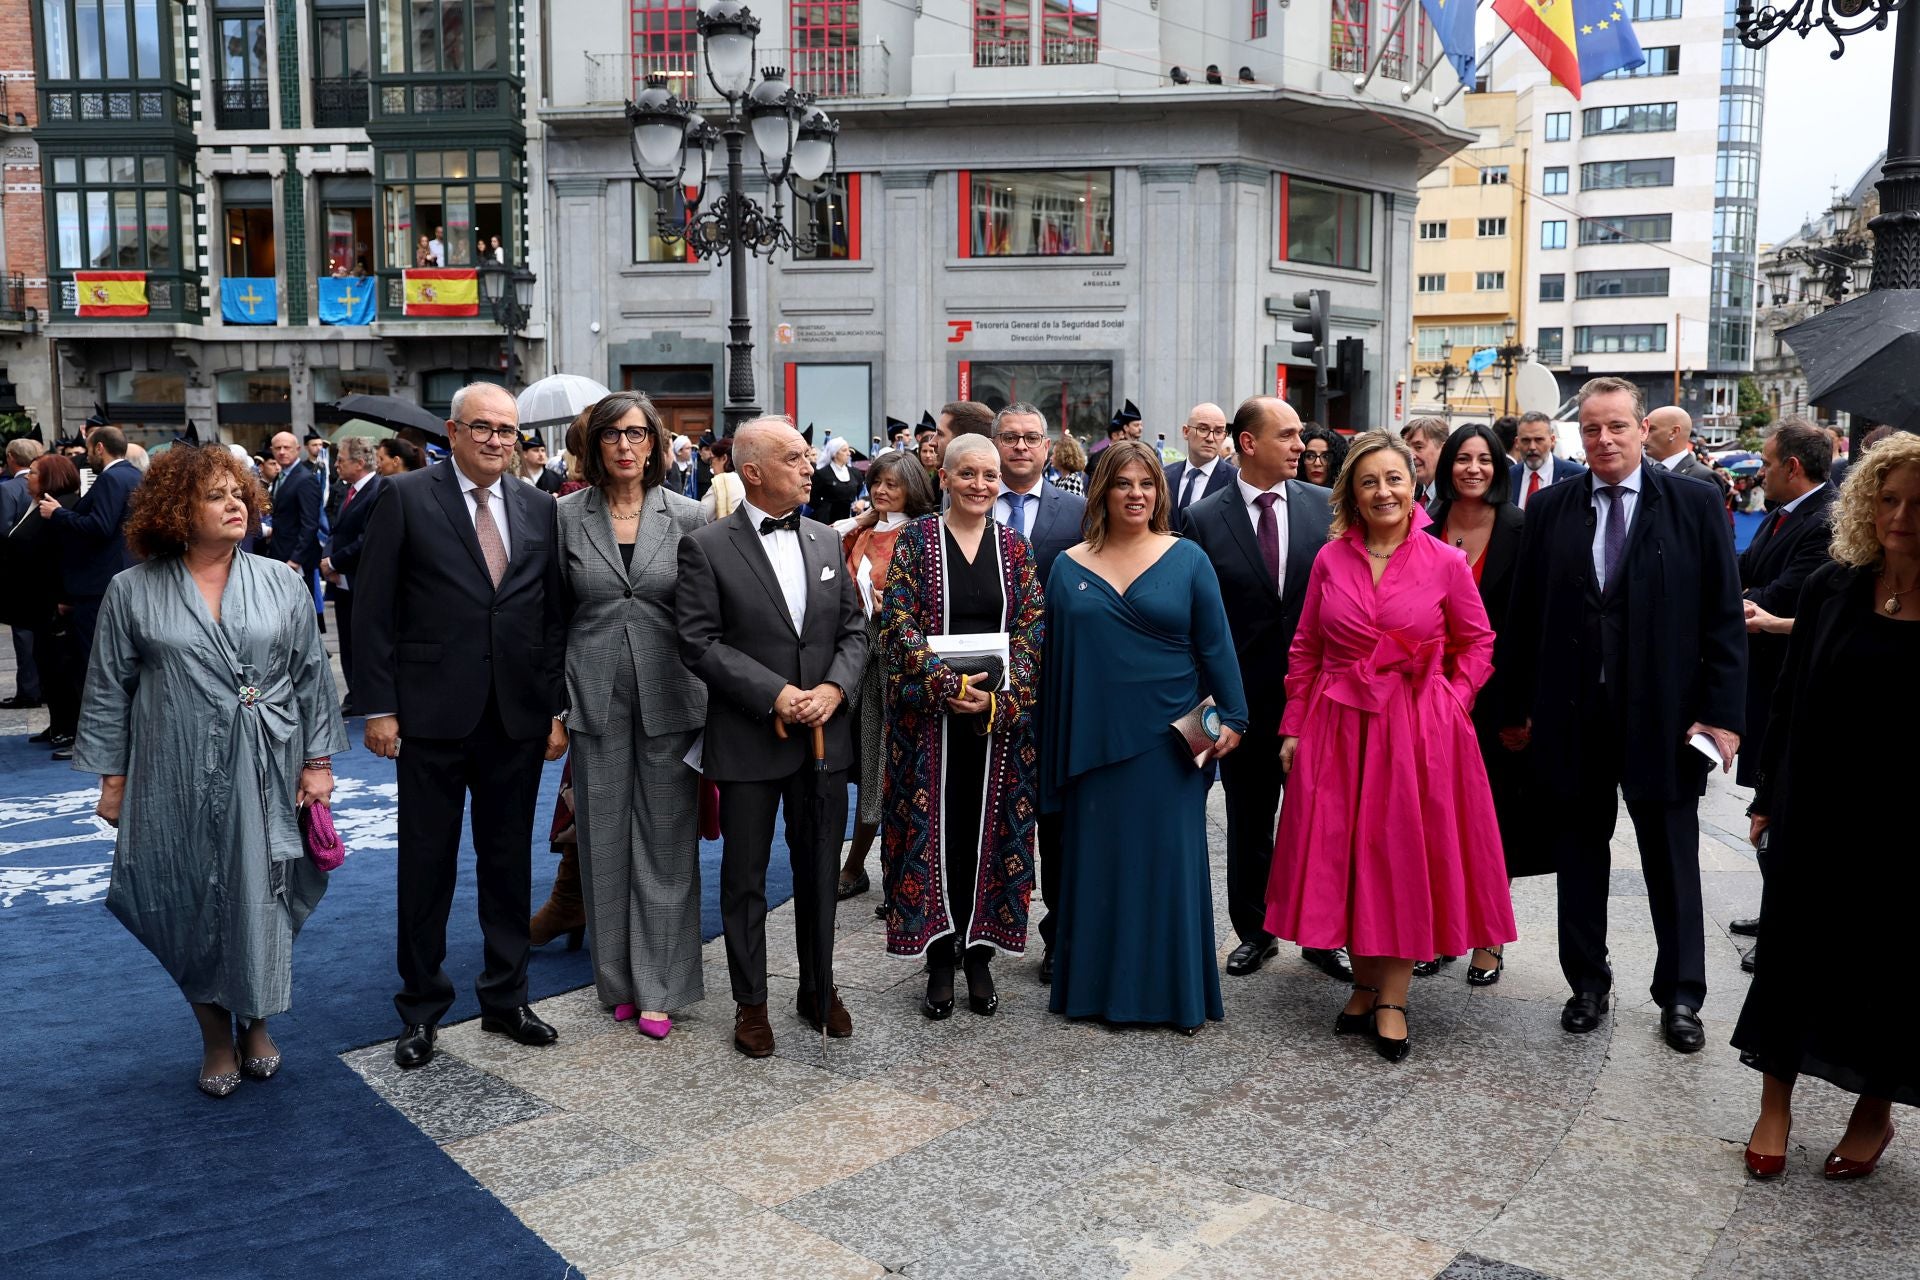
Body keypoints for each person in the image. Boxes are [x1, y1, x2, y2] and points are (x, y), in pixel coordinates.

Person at [72, 444, 346, 1096]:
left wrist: (318, 762)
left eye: (240, 494)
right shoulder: (129, 590)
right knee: (186, 902)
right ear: (175, 509)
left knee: (261, 898)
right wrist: (113, 780)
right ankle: (214, 1036)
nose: (234, 505)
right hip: (174, 769)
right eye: (215, 495)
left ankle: (255, 1022)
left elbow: (310, 676)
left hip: (267, 767)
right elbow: (109, 688)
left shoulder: (280, 580)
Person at [1499, 376, 1746, 1054]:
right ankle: (1586, 982)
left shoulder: (1695, 505)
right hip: (1572, 715)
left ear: (1643, 431)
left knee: (1672, 860)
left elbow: (1724, 619)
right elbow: (1522, 617)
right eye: (1592, 429)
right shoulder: (1551, 508)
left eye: (1617, 427)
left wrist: (1722, 718)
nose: (1603, 440)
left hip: (1665, 719)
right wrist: (1513, 705)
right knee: (1579, 856)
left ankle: (1682, 996)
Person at [1265, 432, 1514, 1062]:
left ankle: (1393, 997)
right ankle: (1364, 981)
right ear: (1352, 491)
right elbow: (1307, 649)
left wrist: (1452, 701)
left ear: (1415, 488)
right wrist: (1294, 725)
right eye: (1369, 481)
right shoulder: (1330, 561)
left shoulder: (1444, 562)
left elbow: (1478, 643)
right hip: (1339, 724)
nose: (1384, 492)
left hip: (1417, 729)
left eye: (1395, 480)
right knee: (1349, 852)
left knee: (1400, 853)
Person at [353, 383, 570, 1072]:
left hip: (516, 718)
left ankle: (507, 998)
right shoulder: (408, 497)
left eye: (509, 431)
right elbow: (373, 609)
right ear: (453, 431)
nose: (498, 441)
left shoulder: (540, 507)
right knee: (427, 868)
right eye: (484, 428)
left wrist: (556, 708)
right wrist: (379, 708)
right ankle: (421, 1009)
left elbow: (550, 615)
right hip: (429, 718)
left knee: (508, 866)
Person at [1733, 431, 1920, 1183]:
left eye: (1918, 503)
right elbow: (1790, 698)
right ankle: (1774, 1105)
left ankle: (1872, 1112)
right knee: (1791, 950)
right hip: (1820, 802)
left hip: (1908, 821)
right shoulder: (1831, 586)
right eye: (1888, 498)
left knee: (1893, 965)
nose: (1901, 515)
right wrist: (1769, 793)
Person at [675, 415, 868, 1057]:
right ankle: (750, 1003)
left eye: (808, 456)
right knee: (746, 877)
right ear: (752, 471)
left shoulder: (823, 539)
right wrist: (775, 695)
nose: (808, 466)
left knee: (819, 869)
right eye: (794, 457)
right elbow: (697, 642)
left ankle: (819, 987)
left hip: (824, 742)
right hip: (749, 738)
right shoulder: (707, 546)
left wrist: (835, 691)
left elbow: (854, 632)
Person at [1040, 440, 1249, 1033]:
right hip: (1092, 740)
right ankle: (1096, 991)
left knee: (1167, 863)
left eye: (1147, 484)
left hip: (1170, 741)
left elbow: (1216, 644)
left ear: (1160, 493)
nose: (1136, 494)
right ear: (1101, 490)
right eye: (1123, 483)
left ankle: (1168, 993)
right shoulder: (1067, 565)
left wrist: (1234, 716)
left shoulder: (1188, 559)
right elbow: (1050, 660)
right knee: (1099, 862)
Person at [556, 392, 708, 1040]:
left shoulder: (691, 516)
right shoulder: (562, 517)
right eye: (613, 434)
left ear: (656, 445)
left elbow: (705, 618)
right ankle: (616, 980)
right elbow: (550, 618)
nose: (625, 445)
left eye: (638, 434)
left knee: (667, 843)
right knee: (602, 842)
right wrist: (553, 708)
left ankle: (662, 987)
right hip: (590, 695)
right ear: (594, 446)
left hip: (672, 693)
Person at [879, 434, 1045, 1018]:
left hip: (997, 726)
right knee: (938, 829)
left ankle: (980, 954)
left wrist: (997, 697)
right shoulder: (916, 542)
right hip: (930, 723)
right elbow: (896, 625)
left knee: (990, 833)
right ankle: (940, 955)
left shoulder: (1015, 548)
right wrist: (950, 687)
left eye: (989, 475)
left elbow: (1032, 627)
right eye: (967, 473)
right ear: (944, 478)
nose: (980, 484)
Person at [1182, 397, 1344, 983]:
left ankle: (1326, 937)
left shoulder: (1325, 507)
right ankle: (1255, 931)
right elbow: (1196, 619)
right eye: (1288, 435)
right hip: (1240, 701)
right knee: (1249, 820)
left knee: (1322, 822)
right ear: (1248, 444)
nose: (1301, 446)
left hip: (1319, 699)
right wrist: (1210, 710)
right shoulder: (1203, 518)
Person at [1425, 423, 1546, 985]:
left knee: (1492, 821)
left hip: (1497, 698)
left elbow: (1533, 625)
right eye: (1462, 459)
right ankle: (1434, 929)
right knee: (1432, 819)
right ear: (1446, 465)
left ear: (1500, 467)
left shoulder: (1524, 528)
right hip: (1423, 695)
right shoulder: (1420, 524)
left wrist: (1523, 708)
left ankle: (1490, 938)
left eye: (1484, 460)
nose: (1472, 469)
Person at [1726, 419, 1837, 972]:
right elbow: (1742, 574)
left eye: (1767, 465)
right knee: (1764, 802)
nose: (1761, 474)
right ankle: (1772, 911)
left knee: (1779, 809)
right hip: (1765, 680)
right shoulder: (1780, 516)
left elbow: (1784, 593)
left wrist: (1747, 601)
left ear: (1793, 467)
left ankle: (1783, 927)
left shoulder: (1825, 521)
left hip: (1789, 681)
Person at [986, 403, 1087, 981]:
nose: (1021, 447)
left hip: (1053, 686)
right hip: (978, 687)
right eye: (1010, 438)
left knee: (1056, 821)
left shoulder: (1077, 513)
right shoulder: (964, 508)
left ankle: (1058, 935)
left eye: (1031, 439)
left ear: (1048, 449)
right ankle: (981, 928)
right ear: (994, 443)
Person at [835, 451, 940, 903]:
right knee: (844, 764)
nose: (881, 490)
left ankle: (864, 866)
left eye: (892, 484)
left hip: (893, 668)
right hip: (849, 659)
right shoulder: (857, 530)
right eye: (877, 482)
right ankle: (856, 865)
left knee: (884, 770)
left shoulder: (922, 534)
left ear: (912, 487)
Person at [36, 425, 140, 731]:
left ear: (99, 448)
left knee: (97, 661)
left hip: (100, 583)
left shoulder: (111, 477)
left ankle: (95, 732)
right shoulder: (134, 475)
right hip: (123, 575)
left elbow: (100, 526)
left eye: (88, 448)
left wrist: (58, 514)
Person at [2, 455, 83, 753]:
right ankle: (57, 723)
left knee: (61, 666)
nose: (27, 477)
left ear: (51, 477)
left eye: (34, 473)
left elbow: (66, 555)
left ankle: (70, 727)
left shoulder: (62, 507)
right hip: (36, 601)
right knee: (45, 663)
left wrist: (64, 599)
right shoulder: (37, 504)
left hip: (55, 603)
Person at [320, 437, 384, 718]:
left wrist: (334, 561)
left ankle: (365, 696)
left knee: (363, 643)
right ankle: (355, 694)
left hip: (363, 581)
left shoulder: (377, 490)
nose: (336, 465)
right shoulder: (350, 491)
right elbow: (337, 530)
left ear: (359, 463)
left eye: (341, 460)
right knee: (347, 640)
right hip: (343, 581)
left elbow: (368, 538)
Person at [1, 437, 48, 711]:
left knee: (23, 632)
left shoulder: (8, 489)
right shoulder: (38, 485)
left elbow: (3, 532)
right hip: (38, 569)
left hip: (18, 571)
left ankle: (29, 689)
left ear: (11, 457)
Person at [259, 431, 324, 581]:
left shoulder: (305, 479)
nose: (282, 452)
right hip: (279, 555)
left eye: (287, 447)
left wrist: (296, 559)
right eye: (278, 448)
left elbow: (310, 523)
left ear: (298, 449)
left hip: (296, 561)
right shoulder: (280, 477)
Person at [1165, 402, 1237, 532]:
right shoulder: (1164, 476)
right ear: (1186, 432)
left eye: (1219, 431)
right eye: (1203, 429)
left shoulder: (1236, 481)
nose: (1210, 438)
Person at [1646, 406, 1729, 497]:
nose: (1643, 436)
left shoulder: (1704, 478)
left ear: (1674, 432)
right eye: (1643, 430)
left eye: (1651, 429)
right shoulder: (1644, 472)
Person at [1511, 411, 1584, 511]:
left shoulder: (1577, 475)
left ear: (1552, 440)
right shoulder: (1507, 477)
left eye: (1539, 440)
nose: (1532, 447)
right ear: (1517, 442)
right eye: (1526, 440)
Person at [1399, 417, 1450, 508]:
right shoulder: (1411, 493)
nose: (1410, 456)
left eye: (1418, 447)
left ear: (1444, 450)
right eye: (1406, 449)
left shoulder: (1455, 499)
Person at [811, 437, 863, 523]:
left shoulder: (855, 473)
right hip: (828, 520)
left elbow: (863, 493)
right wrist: (824, 508)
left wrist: (862, 501)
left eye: (848, 450)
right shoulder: (822, 474)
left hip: (850, 519)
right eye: (844, 450)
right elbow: (812, 498)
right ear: (834, 454)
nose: (848, 453)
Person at [700, 436, 745, 520]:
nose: (711, 465)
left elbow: (701, 516)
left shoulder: (722, 482)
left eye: (712, 459)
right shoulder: (743, 479)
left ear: (724, 458)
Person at [1298, 424, 1348, 490]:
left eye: (1326, 457)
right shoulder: (1289, 495)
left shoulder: (1348, 497)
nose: (1317, 463)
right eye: (1310, 456)